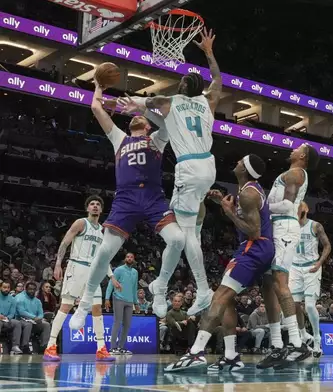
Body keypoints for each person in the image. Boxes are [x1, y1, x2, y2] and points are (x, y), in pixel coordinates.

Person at [68, 77, 186, 331]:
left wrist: (142, 107)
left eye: (141, 118)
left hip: (153, 197)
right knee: (103, 253)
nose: (135, 119)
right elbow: (96, 109)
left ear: (145, 124)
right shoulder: (119, 138)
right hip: (126, 198)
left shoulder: (157, 139)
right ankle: (85, 302)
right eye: (134, 117)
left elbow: (166, 120)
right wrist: (99, 86)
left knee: (178, 240)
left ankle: (161, 285)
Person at [119, 27, 221, 317]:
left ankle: (202, 289)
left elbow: (150, 103)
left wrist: (133, 104)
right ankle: (160, 286)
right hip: (208, 166)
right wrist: (210, 54)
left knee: (184, 235)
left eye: (181, 81)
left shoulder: (172, 102)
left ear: (183, 87)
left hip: (188, 169)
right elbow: (218, 79)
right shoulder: (207, 101)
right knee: (181, 234)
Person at [165, 154, 274, 373]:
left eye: (240, 161)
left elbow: (254, 231)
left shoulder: (249, 194)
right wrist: (223, 203)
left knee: (219, 297)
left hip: (255, 249)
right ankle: (232, 355)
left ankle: (196, 352)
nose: (236, 163)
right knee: (228, 301)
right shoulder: (246, 190)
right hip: (256, 249)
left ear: (245, 169)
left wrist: (228, 212)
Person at [257, 143, 319, 369]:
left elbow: (286, 205)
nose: (292, 149)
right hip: (275, 227)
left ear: (302, 156)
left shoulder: (294, 173)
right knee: (267, 284)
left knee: (280, 282)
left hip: (284, 228)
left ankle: (296, 341)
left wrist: (260, 206)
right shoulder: (291, 173)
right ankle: (276, 344)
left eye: (297, 148)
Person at [45, 196, 119, 362]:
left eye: (98, 204)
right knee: (66, 305)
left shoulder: (103, 230)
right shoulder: (80, 223)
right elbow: (64, 243)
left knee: (97, 308)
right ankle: (50, 346)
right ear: (87, 208)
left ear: (101, 210)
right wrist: (57, 264)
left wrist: (111, 276)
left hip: (94, 271)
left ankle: (101, 349)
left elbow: (103, 257)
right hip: (76, 266)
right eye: (92, 204)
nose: (95, 206)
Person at [290, 201, 331, 358]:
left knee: (309, 306)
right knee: (293, 305)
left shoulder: (315, 226)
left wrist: (319, 262)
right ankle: (303, 335)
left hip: (311, 267)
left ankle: (317, 339)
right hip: (294, 267)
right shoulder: (289, 225)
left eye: (300, 207)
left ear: (306, 209)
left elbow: (327, 246)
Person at [105, 253, 139, 355]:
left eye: (131, 257)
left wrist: (136, 302)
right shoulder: (119, 269)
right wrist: (107, 298)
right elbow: (111, 283)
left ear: (134, 259)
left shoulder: (135, 272)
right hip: (118, 298)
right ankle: (112, 348)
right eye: (128, 257)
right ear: (125, 259)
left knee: (127, 325)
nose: (129, 258)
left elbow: (134, 288)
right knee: (117, 322)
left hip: (129, 301)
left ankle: (120, 347)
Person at [16, 282, 51, 354]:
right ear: (25, 289)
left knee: (46, 325)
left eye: (34, 289)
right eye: (30, 289)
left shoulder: (37, 301)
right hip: (21, 320)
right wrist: (34, 317)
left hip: (34, 321)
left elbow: (41, 313)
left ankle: (43, 346)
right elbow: (21, 312)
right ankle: (24, 346)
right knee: (28, 324)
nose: (32, 291)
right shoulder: (19, 298)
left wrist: (39, 318)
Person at [0, 281, 28, 355]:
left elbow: (12, 313)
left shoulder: (12, 299)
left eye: (8, 287)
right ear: (0, 288)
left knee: (17, 323)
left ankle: (15, 346)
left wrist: (7, 318)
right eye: (4, 287)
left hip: (6, 319)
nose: (6, 289)